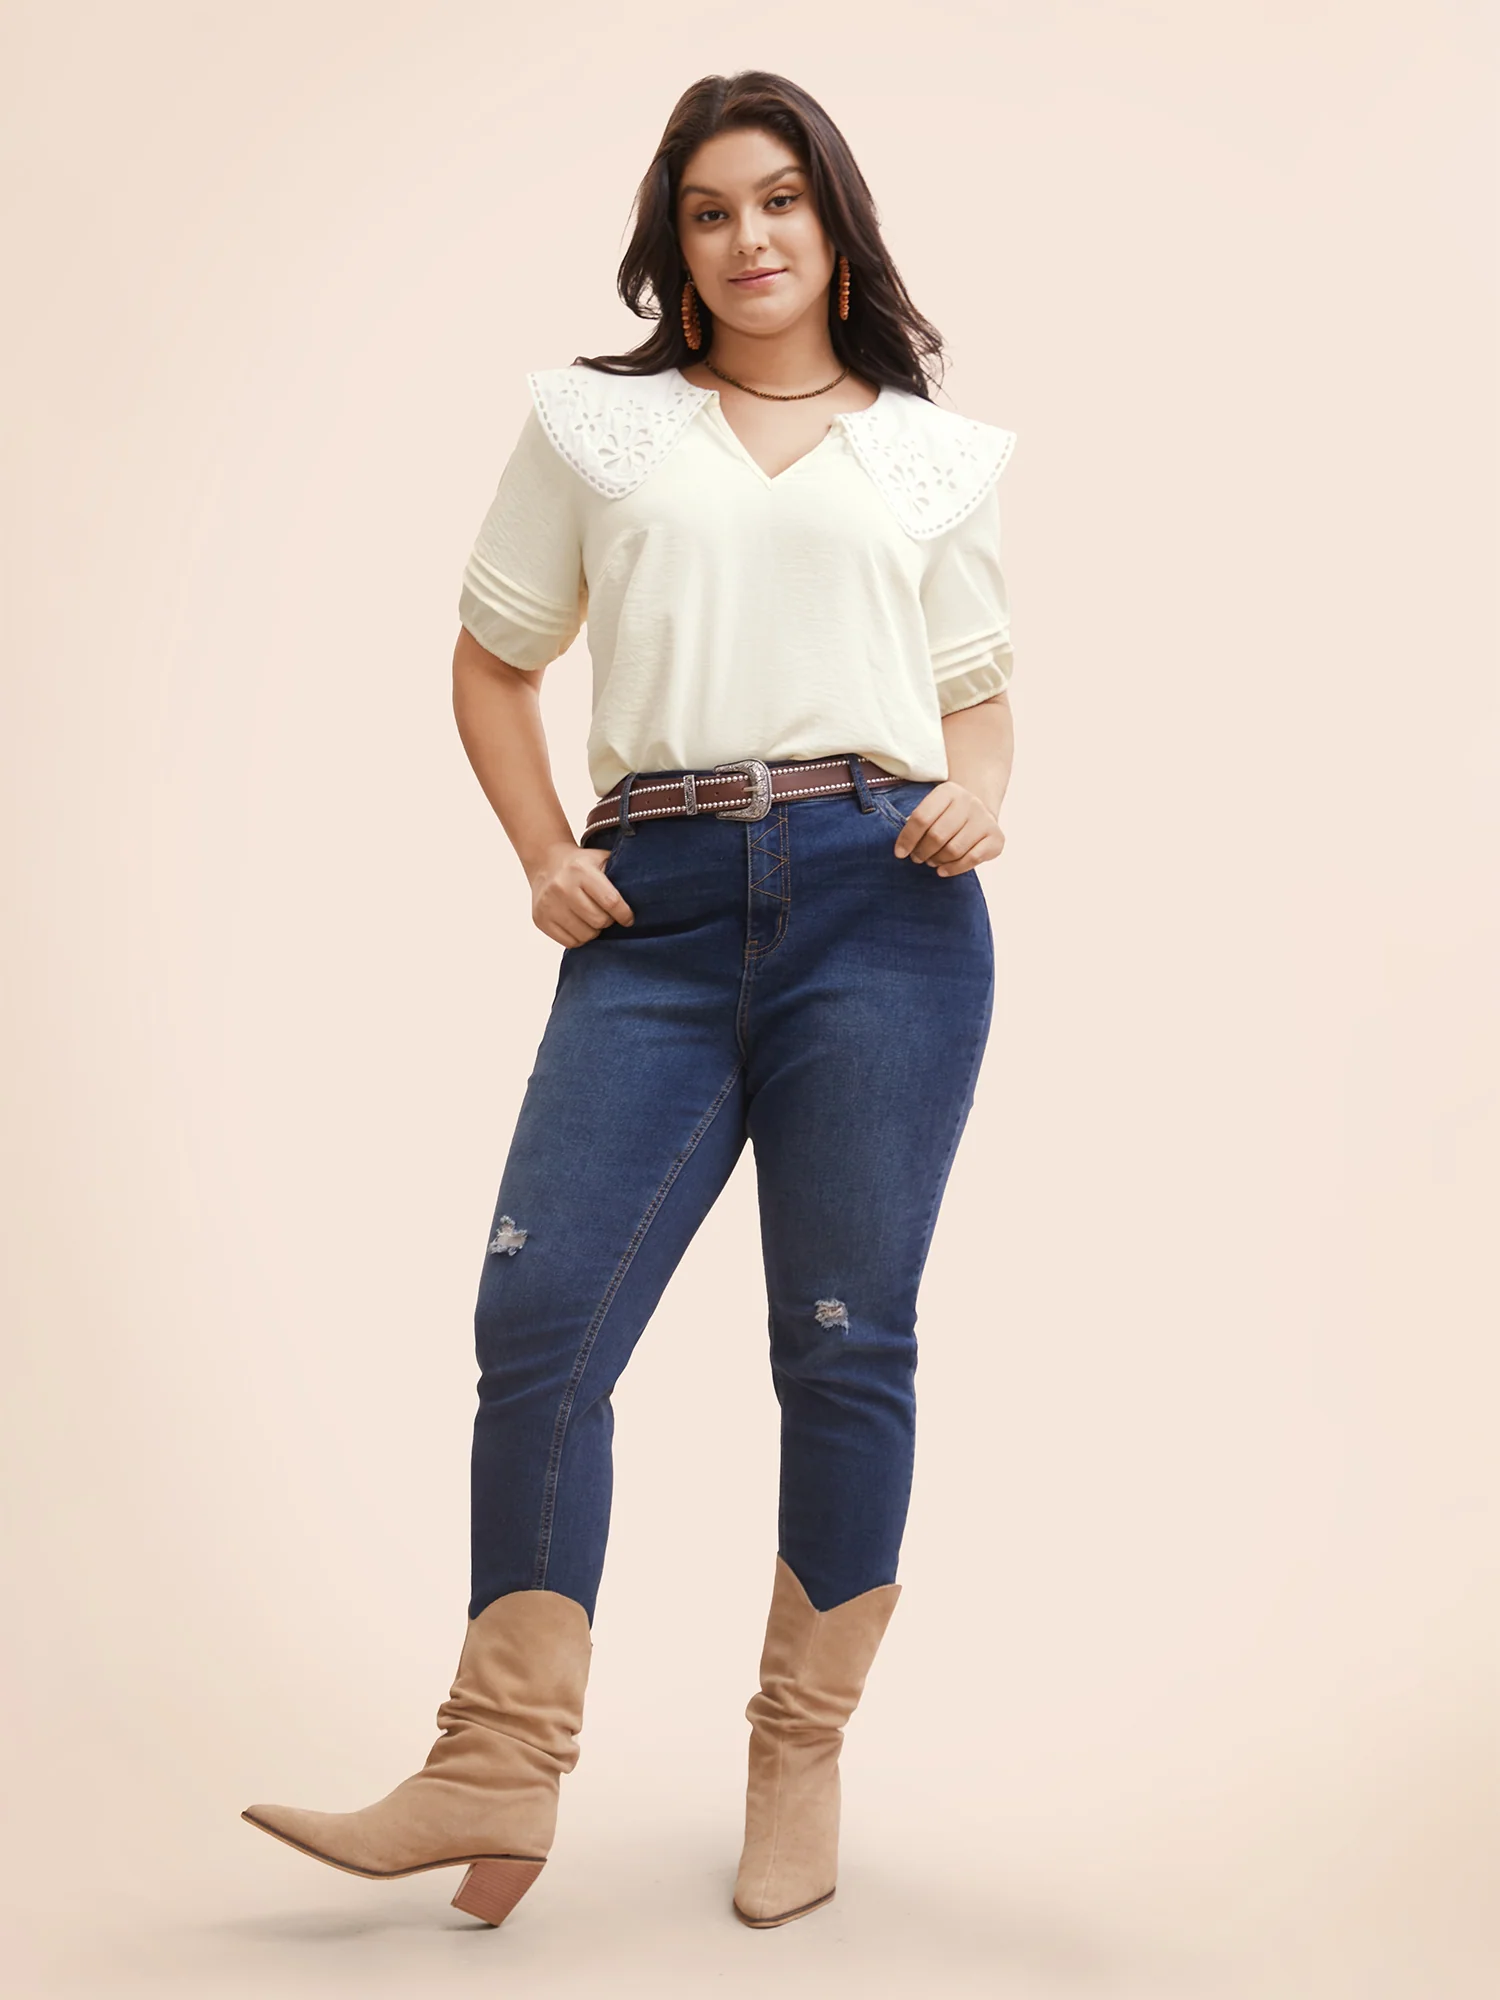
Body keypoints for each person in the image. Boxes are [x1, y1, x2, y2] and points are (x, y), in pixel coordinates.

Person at [243, 68, 1018, 1933]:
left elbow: (977, 692)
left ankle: (797, 1758)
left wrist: (981, 793)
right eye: (709, 210)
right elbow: (489, 663)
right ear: (675, 246)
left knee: (843, 1339)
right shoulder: (601, 431)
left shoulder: (931, 454)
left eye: (779, 201)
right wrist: (541, 853)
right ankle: (494, 1764)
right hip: (652, 912)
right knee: (540, 1318)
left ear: (834, 224)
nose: (749, 237)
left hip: (883, 908)